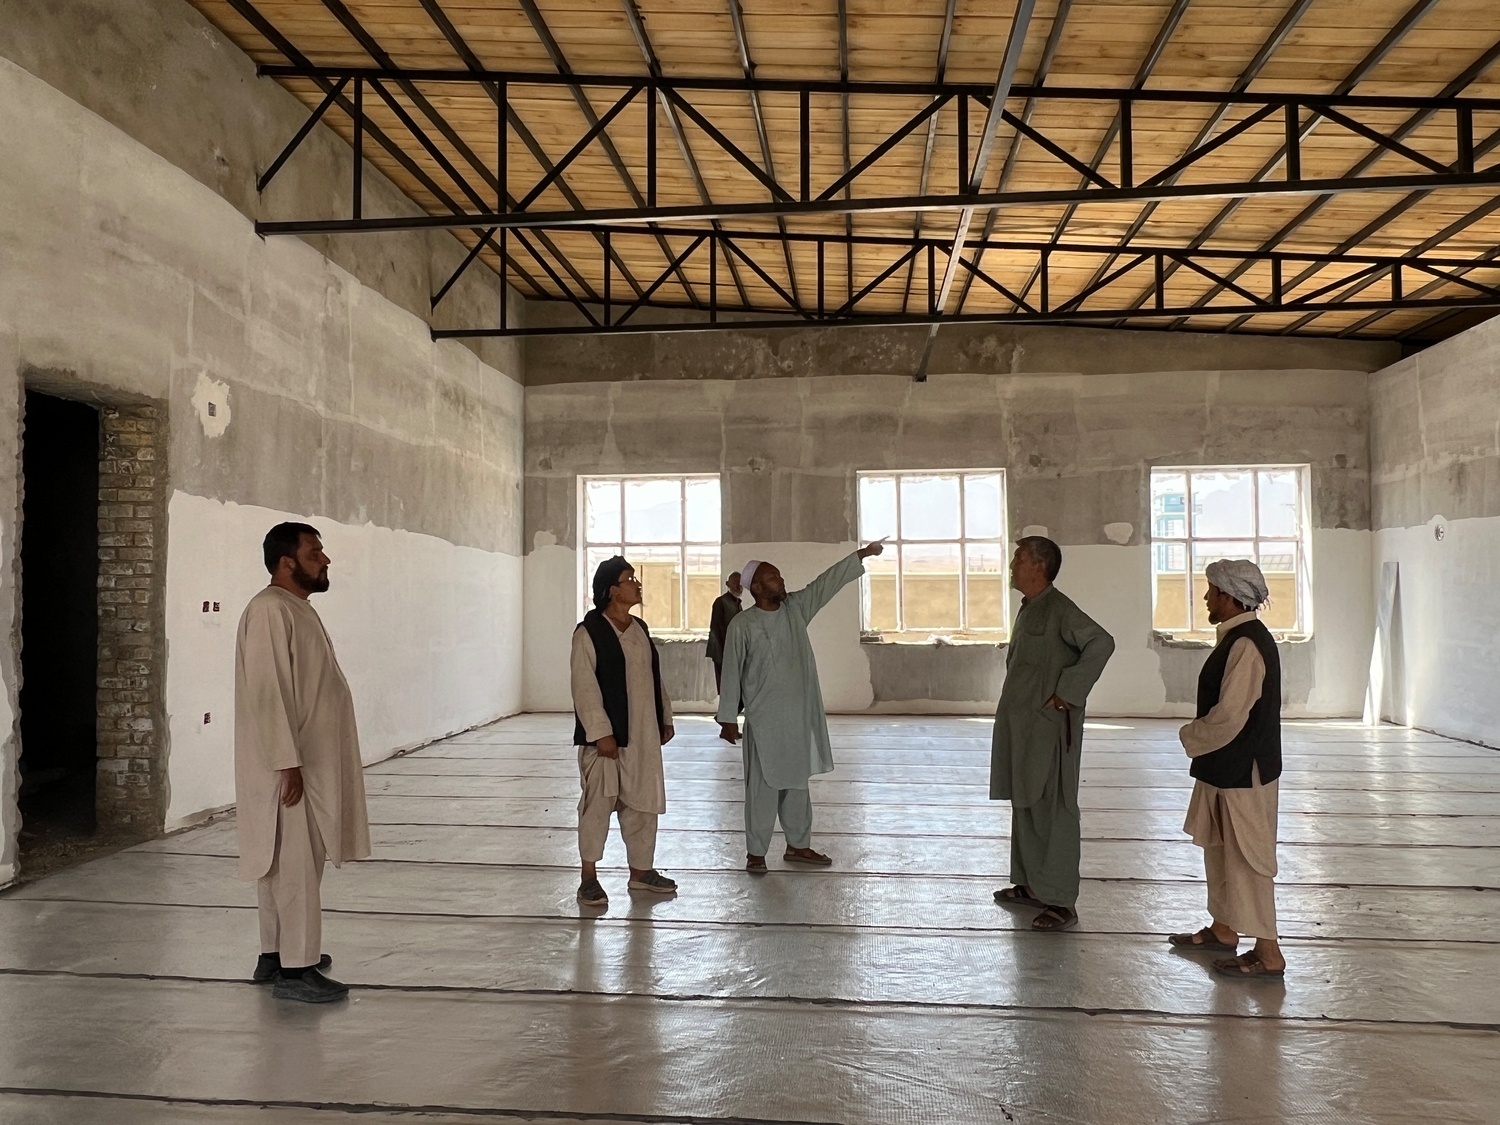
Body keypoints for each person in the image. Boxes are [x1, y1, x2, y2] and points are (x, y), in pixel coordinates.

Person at [235, 522, 370, 1003]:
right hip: (292, 768)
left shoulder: (293, 608)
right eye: (315, 552)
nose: (325, 560)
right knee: (292, 867)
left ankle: (275, 955)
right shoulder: (271, 610)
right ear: (286, 562)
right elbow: (268, 691)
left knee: (283, 864)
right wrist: (286, 762)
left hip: (302, 764)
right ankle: (297, 970)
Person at [716, 542, 885, 872]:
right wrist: (727, 719)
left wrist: (859, 556)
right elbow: (731, 671)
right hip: (763, 721)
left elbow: (825, 583)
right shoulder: (743, 624)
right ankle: (756, 852)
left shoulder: (795, 609)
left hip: (796, 717)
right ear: (758, 588)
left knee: (796, 784)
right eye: (772, 577)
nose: (781, 580)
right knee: (762, 789)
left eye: (779, 574)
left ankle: (798, 845)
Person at [1168, 559, 1286, 979]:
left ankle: (1268, 952)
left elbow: (1231, 715)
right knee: (1220, 851)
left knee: (1248, 859)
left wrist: (1190, 736)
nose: (1206, 598)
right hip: (1223, 767)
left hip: (1243, 773)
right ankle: (1224, 929)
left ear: (1230, 597)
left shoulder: (1247, 645)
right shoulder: (1236, 639)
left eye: (1211, 591)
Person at [990, 535, 1115, 932]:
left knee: (1054, 808)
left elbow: (1102, 642)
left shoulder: (1059, 608)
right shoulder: (1031, 609)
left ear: (1039, 566)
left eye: (1019, 559)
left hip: (1048, 729)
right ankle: (1030, 884)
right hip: (1024, 727)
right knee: (1026, 801)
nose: (1012, 565)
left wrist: (1068, 692)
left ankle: (1061, 900)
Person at [571, 556, 677, 907]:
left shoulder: (640, 629)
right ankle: (589, 877)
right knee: (597, 806)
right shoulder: (589, 632)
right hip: (607, 743)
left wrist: (665, 718)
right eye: (629, 579)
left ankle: (641, 872)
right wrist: (601, 733)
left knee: (643, 805)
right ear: (611, 590)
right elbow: (584, 687)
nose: (637, 584)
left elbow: (652, 677)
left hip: (643, 737)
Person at [706, 572, 744, 692]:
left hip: (733, 651)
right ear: (728, 584)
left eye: (740, 583)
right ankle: (725, 709)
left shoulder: (737, 603)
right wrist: (724, 652)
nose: (738, 586)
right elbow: (716, 629)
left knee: (734, 684)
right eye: (735, 583)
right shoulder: (721, 602)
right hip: (722, 651)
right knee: (725, 685)